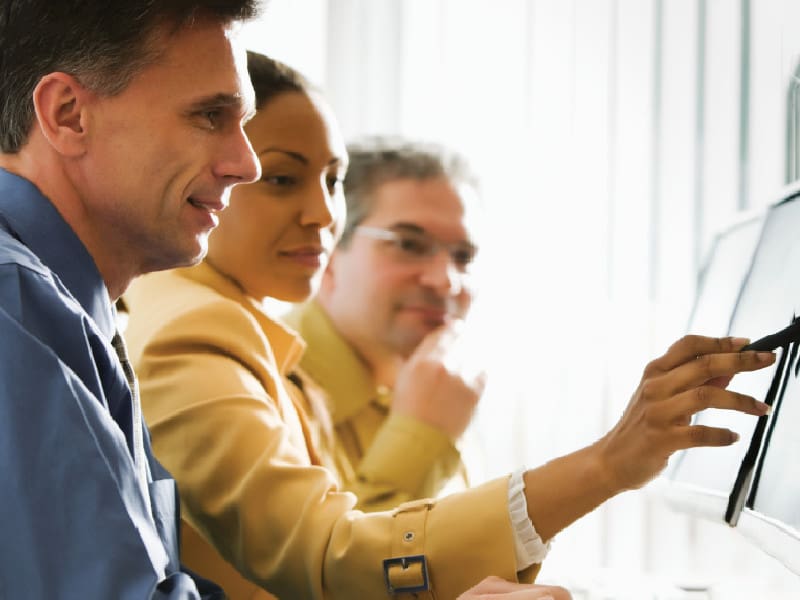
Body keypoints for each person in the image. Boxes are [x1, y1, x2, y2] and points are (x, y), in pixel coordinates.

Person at [123, 49, 776, 599]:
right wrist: (603, 462)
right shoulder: (206, 330)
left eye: (333, 182)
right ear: (334, 269)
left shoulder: (403, 375)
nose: (323, 215)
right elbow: (335, 563)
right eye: (408, 244)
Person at [0, 0, 263, 597]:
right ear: (67, 115)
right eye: (209, 116)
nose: (246, 163)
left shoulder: (51, 299)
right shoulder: (12, 304)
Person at [283, 137, 485, 509]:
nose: (446, 281)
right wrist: (422, 438)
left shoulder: (440, 386)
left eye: (463, 256)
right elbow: (322, 564)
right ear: (325, 251)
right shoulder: (262, 389)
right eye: (408, 244)